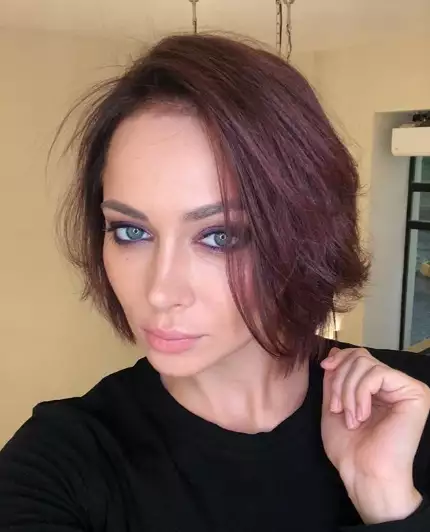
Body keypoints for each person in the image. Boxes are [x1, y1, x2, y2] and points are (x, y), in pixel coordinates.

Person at [0, 33, 429, 532]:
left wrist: (386, 499)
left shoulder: (409, 407)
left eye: (220, 236)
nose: (160, 292)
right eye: (131, 231)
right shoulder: (57, 467)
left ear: (308, 236)